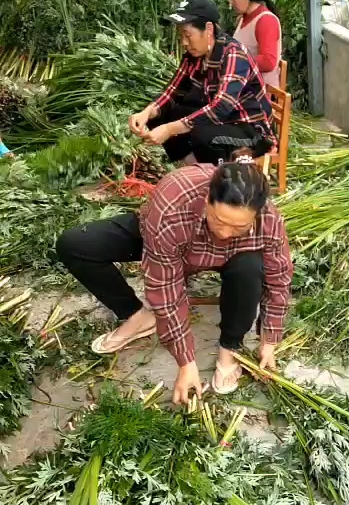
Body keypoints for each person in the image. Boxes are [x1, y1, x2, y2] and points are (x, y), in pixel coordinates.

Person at [55, 156, 292, 403]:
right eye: (218, 220)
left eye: (239, 227)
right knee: (75, 245)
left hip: (233, 258)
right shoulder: (173, 203)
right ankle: (138, 316)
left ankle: (230, 348)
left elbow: (278, 280)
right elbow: (166, 289)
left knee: (251, 266)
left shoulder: (269, 221)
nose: (225, 232)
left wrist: (269, 339)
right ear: (207, 199)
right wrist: (186, 362)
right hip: (171, 239)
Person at [128, 0, 276, 164]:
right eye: (181, 35)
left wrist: (169, 130)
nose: (184, 42)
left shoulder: (233, 54)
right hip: (222, 122)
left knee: (201, 135)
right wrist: (146, 113)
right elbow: (172, 92)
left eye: (188, 35)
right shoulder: (194, 55)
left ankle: (217, 179)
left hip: (251, 131)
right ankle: (192, 166)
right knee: (162, 115)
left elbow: (220, 108)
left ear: (208, 29)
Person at [226, 0, 282, 88]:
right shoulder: (243, 18)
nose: (230, 2)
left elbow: (268, 62)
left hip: (260, 94)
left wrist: (233, 60)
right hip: (244, 86)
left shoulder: (266, 21)